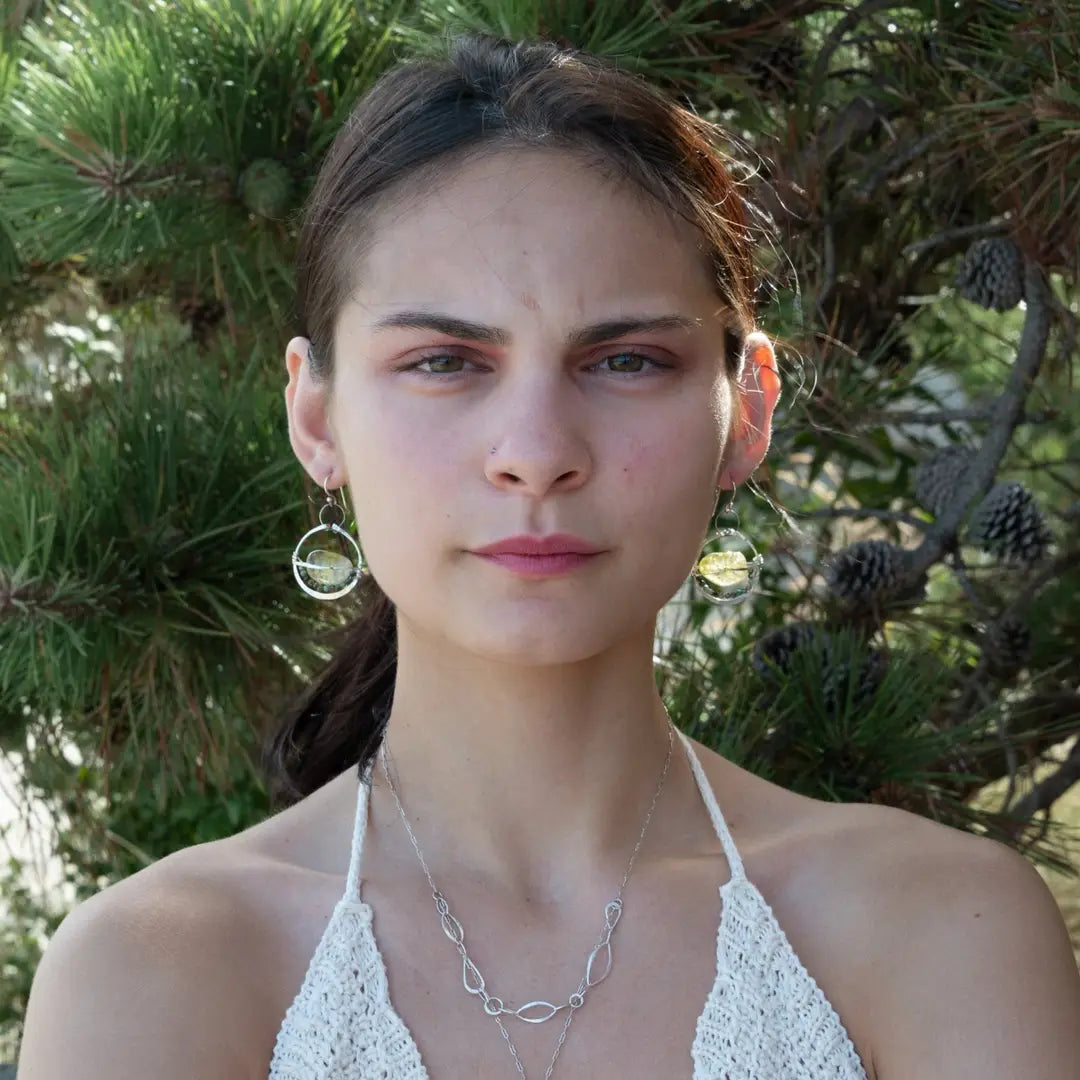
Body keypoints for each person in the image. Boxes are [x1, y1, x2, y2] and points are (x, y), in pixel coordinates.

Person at [17, 31, 1080, 1080]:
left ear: (745, 411)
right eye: (444, 361)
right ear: (317, 416)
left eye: (625, 359)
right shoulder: (157, 972)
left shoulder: (941, 934)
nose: (536, 455)